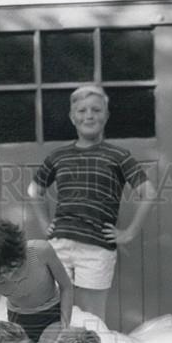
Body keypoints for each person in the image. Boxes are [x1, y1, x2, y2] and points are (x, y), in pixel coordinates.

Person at [27, 84, 157, 324]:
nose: (89, 115)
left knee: (91, 318)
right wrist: (46, 223)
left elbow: (148, 192)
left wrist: (128, 232)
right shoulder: (59, 156)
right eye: (82, 110)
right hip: (60, 245)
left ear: (106, 116)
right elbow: (34, 190)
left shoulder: (118, 156)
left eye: (96, 110)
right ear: (72, 117)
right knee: (55, 312)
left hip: (96, 249)